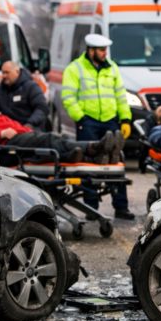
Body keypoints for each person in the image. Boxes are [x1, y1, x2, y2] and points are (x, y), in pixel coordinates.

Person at [61, 33, 133, 220]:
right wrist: (81, 118)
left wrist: (125, 119)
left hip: (110, 120)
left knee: (116, 161)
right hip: (88, 122)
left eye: (105, 50)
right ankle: (91, 209)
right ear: (91, 50)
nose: (105, 53)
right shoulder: (75, 68)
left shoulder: (112, 68)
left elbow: (121, 96)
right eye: (102, 50)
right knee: (89, 164)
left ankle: (121, 207)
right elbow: (68, 97)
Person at [0, 93, 114, 164]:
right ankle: (93, 147)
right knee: (50, 138)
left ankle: (96, 157)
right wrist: (0, 133)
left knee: (61, 138)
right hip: (7, 147)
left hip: (17, 140)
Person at [0, 61, 50, 131]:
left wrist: (30, 124)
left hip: (29, 130)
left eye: (7, 72)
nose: (4, 76)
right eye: (3, 73)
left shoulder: (31, 87)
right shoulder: (1, 90)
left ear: (17, 72)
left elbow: (42, 108)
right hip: (9, 131)